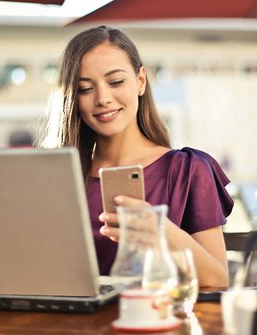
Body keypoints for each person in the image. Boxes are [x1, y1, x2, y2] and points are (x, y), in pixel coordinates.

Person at [40, 26, 233, 287]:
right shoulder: (58, 178)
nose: (103, 99)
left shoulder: (188, 169)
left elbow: (218, 280)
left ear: (140, 81)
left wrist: (160, 232)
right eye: (85, 89)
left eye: (116, 82)